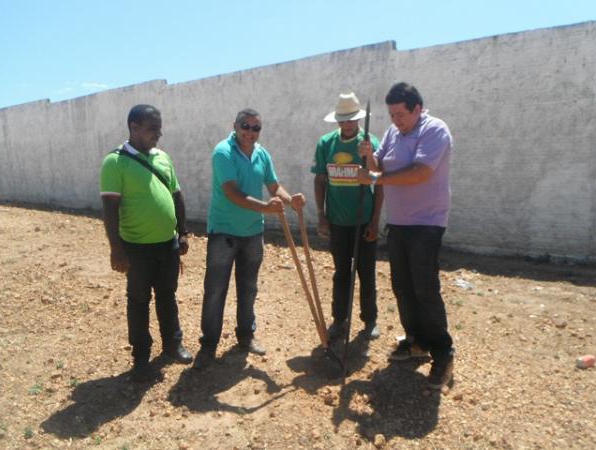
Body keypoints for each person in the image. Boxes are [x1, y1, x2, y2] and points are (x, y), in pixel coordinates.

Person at [358, 82, 455, 389]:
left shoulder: (434, 130)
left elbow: (420, 171)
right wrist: (369, 157)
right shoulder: (393, 133)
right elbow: (379, 165)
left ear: (417, 108)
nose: (395, 120)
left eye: (400, 113)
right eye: (391, 114)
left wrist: (376, 175)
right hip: (399, 222)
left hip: (426, 222)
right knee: (402, 287)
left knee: (424, 288)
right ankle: (416, 342)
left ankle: (443, 353)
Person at [193, 108, 305, 370]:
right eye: (246, 126)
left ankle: (246, 336)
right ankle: (208, 345)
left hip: (253, 232)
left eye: (256, 128)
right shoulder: (223, 152)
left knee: (248, 287)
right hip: (224, 232)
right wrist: (266, 208)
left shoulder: (261, 153)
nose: (250, 132)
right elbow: (232, 192)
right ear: (235, 126)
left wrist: (291, 202)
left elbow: (274, 186)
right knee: (216, 290)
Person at [100, 104, 193, 382]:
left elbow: (176, 195)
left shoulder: (163, 158)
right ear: (134, 127)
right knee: (139, 301)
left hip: (168, 245)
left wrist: (183, 232)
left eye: (159, 128)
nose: (158, 134)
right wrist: (116, 249)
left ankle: (172, 344)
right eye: (153, 128)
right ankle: (141, 357)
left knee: (168, 295)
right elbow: (110, 210)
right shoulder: (115, 162)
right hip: (137, 248)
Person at [311, 92, 383, 342]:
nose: (348, 124)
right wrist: (321, 215)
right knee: (341, 272)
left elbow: (380, 181)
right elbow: (320, 179)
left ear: (358, 119)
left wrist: (375, 221)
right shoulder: (326, 144)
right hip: (338, 221)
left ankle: (370, 319)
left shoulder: (369, 142)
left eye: (352, 119)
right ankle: (339, 320)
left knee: (366, 271)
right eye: (343, 120)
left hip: (363, 220)